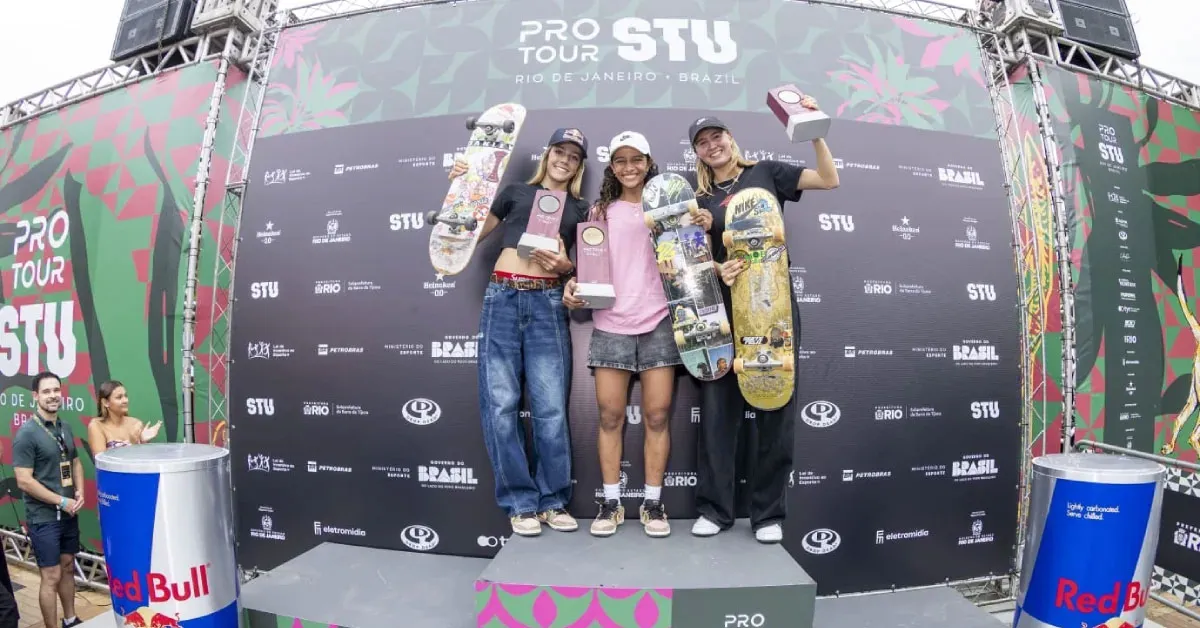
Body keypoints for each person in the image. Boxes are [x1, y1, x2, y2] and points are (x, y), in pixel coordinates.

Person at [684, 101, 840, 544]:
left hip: (772, 308)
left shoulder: (767, 173)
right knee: (717, 414)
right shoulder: (699, 202)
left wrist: (814, 133)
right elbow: (690, 265)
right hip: (720, 313)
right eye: (702, 142)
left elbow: (829, 179)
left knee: (776, 406)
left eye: (717, 136)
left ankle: (768, 514)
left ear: (730, 138)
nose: (712, 145)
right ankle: (715, 510)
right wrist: (718, 268)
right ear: (697, 153)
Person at [447, 128, 591, 537]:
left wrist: (567, 269)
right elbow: (467, 233)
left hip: (547, 302)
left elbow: (586, 269)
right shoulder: (514, 193)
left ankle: (553, 499)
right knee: (501, 406)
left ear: (579, 165)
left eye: (573, 156)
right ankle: (520, 503)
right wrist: (464, 184)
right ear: (547, 156)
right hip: (503, 298)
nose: (564, 159)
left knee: (549, 411)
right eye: (559, 151)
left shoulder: (580, 208)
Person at [563, 131, 680, 538]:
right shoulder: (600, 212)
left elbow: (690, 258)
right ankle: (610, 502)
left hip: (659, 321)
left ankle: (652, 503)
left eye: (637, 159)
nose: (629, 167)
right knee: (610, 416)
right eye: (620, 160)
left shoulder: (670, 208)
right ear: (612, 166)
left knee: (658, 415)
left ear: (649, 162)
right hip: (611, 324)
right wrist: (575, 286)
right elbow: (589, 268)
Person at [12, 372, 85, 628]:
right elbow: (23, 480)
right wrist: (59, 501)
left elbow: (74, 461)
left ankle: (71, 619)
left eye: (56, 390)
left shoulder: (65, 427)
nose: (53, 395)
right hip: (43, 517)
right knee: (51, 575)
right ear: (36, 396)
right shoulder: (27, 434)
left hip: (67, 513)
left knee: (67, 566)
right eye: (46, 391)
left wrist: (79, 491)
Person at [86, 380, 162, 456]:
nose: (125, 400)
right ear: (106, 402)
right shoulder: (96, 426)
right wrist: (132, 443)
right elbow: (102, 461)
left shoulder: (136, 423)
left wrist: (142, 441)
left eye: (126, 396)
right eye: (119, 397)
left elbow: (142, 460)